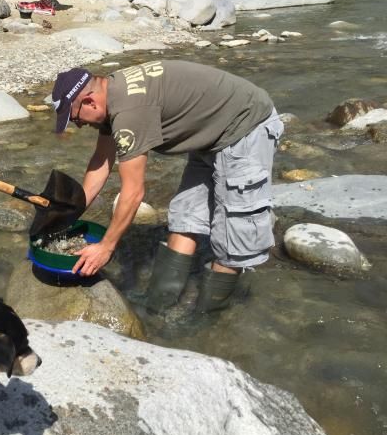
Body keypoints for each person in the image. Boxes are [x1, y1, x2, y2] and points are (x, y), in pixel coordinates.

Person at [51, 60, 283, 312]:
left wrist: (106, 247)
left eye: (74, 118)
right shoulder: (112, 93)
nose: (78, 125)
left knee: (232, 234)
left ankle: (206, 318)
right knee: (185, 216)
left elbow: (134, 191)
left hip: (245, 126)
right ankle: (159, 304)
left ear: (90, 102)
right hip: (208, 133)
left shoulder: (129, 112)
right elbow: (101, 162)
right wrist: (70, 212)